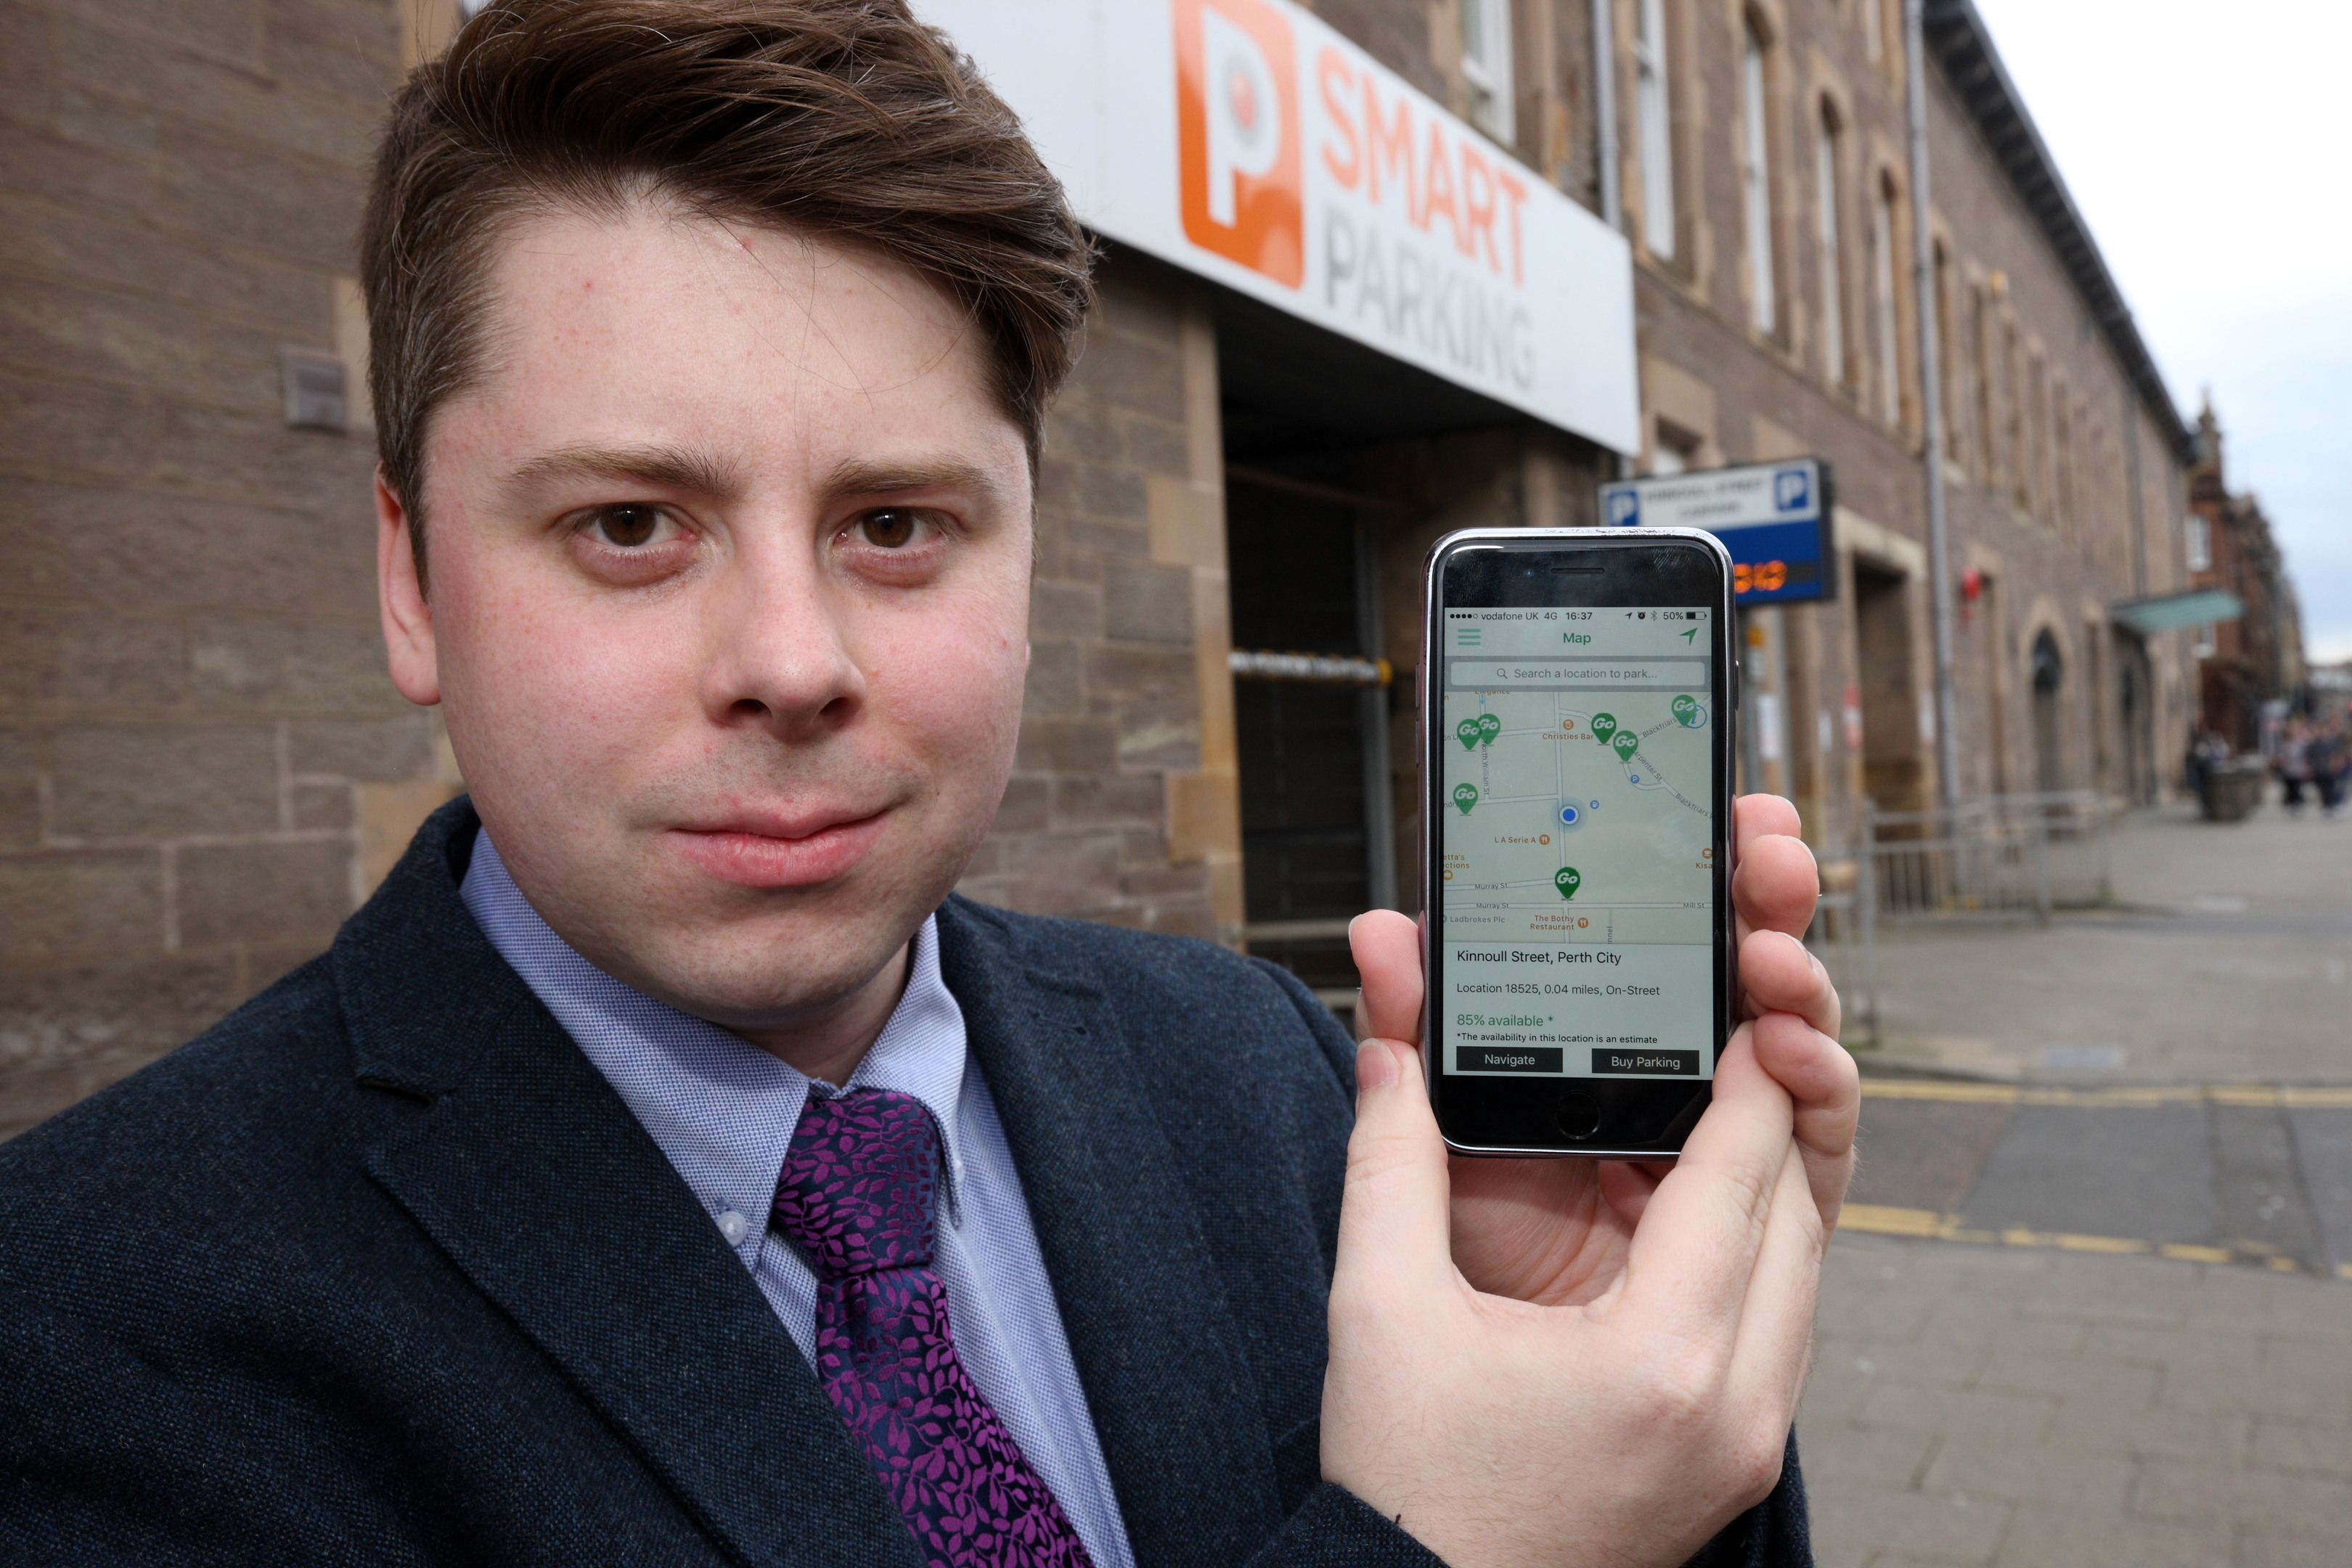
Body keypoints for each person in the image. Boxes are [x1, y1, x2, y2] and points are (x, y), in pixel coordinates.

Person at [0, 4, 1856, 1565]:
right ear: (412, 578)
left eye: (897, 524)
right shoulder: (87, 1333)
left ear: (1029, 554)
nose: (795, 659)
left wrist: (1635, 1381)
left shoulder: (1273, 1079)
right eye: (630, 525)